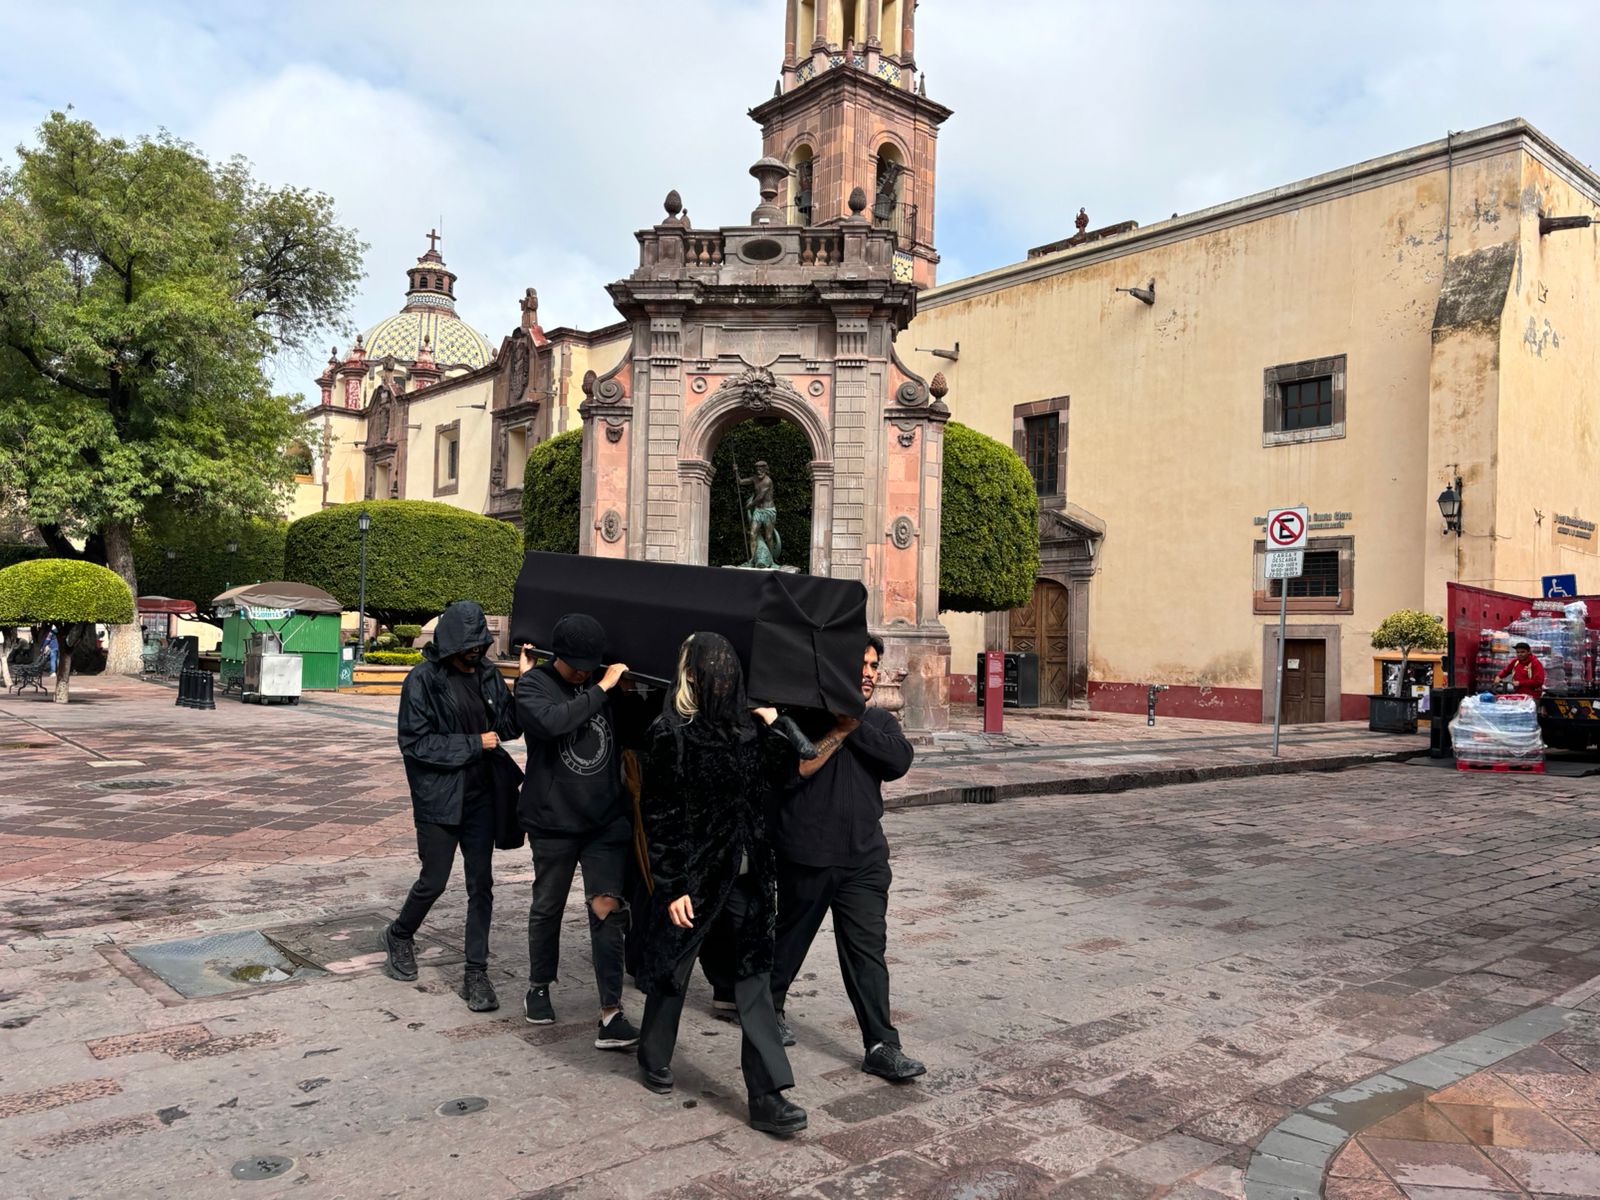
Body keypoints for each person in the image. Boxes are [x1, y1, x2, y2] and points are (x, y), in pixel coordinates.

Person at [634, 632, 812, 1136]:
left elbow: (789, 772)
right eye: (712, 667)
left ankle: (767, 1095)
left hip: (749, 879)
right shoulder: (670, 733)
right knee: (674, 970)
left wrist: (778, 723)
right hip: (695, 877)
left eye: (728, 667)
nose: (723, 676)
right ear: (690, 674)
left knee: (754, 979)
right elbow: (659, 816)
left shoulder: (748, 730)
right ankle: (652, 1054)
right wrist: (672, 886)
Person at [769, 635, 926, 1082]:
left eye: (874, 665)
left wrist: (854, 725)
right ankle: (768, 1006)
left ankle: (881, 1044)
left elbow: (899, 761)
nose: (869, 673)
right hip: (808, 855)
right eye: (861, 664)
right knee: (790, 940)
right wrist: (837, 729)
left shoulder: (879, 721)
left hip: (864, 859)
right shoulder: (801, 717)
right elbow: (791, 773)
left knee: (867, 951)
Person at [386, 601, 521, 1012]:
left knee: (481, 884)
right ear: (449, 646)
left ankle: (476, 971)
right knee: (434, 881)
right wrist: (473, 743)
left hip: (481, 798)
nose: (474, 656)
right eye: (467, 651)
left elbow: (508, 728)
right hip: (440, 798)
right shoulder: (423, 680)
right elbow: (415, 743)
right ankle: (399, 933)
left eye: (479, 648)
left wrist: (522, 684)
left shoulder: (488, 674)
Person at [516, 613, 642, 1052]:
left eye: (590, 667)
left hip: (604, 820)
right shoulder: (533, 685)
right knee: (547, 905)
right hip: (552, 820)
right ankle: (538, 986)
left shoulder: (607, 685)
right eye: (576, 667)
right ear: (559, 656)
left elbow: (634, 733)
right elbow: (552, 723)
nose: (583, 674)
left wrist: (627, 693)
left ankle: (611, 1012)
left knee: (608, 909)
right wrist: (601, 687)